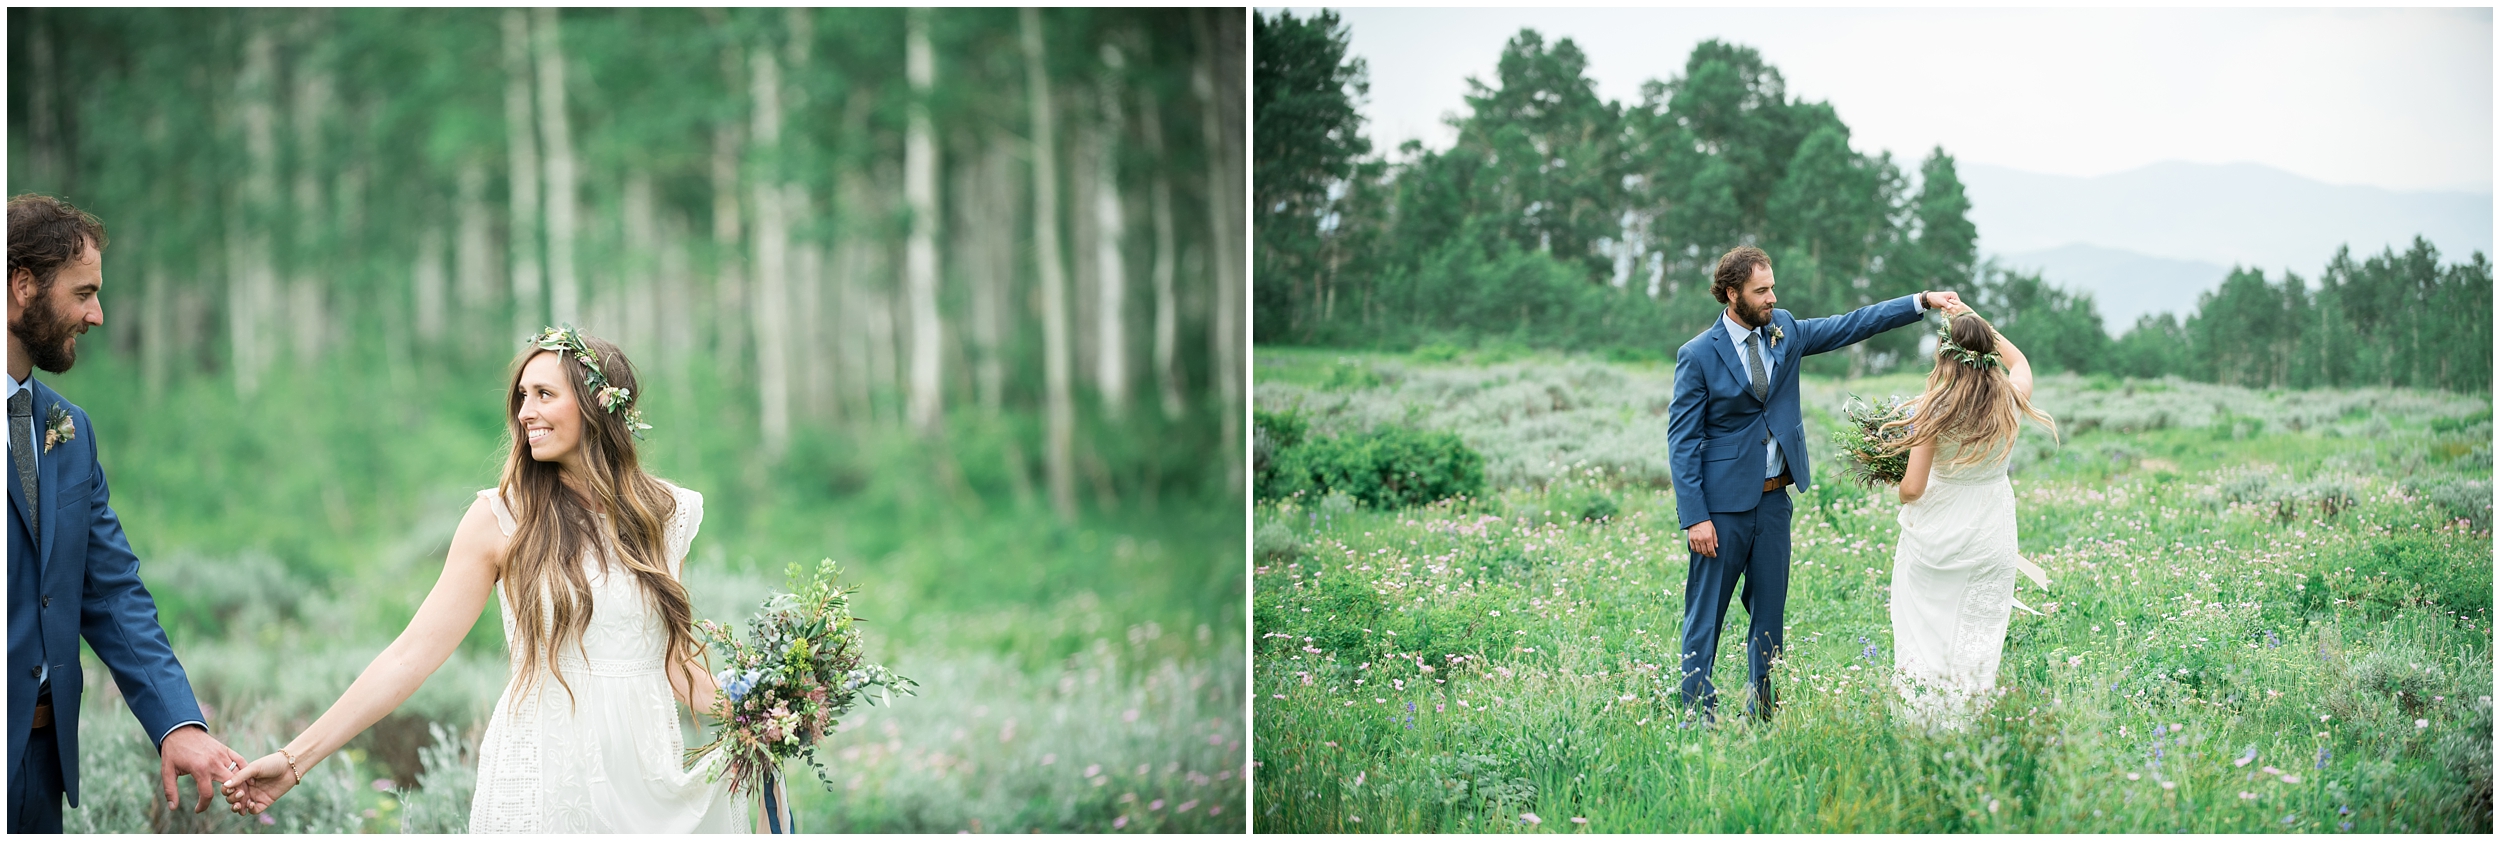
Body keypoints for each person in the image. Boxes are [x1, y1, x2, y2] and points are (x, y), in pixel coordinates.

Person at [220, 327, 760, 831]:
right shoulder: (501, 519)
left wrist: (769, 713)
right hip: (544, 774)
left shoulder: (665, 513)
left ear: (599, 403)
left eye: (545, 394)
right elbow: (410, 657)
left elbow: (674, 666)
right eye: (522, 396)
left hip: (646, 775)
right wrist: (296, 760)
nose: (526, 412)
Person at [7, 194, 251, 832]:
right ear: (22, 285)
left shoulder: (69, 429)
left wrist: (178, 724)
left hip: (37, 765)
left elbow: (109, 590)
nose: (99, 314)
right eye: (83, 293)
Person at [1667, 245, 1962, 723]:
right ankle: (1697, 714)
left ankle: (1762, 713)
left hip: (1774, 502)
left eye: (1772, 288)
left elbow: (1852, 324)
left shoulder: (1784, 329)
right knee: (1705, 616)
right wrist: (1695, 515)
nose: (1771, 297)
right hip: (1720, 509)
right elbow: (1682, 441)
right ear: (1730, 293)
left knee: (1769, 616)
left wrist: (1921, 301)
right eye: (1761, 290)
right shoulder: (1698, 355)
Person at [1881, 303, 2057, 730]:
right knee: (1977, 634)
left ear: (1945, 356)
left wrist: (1896, 468)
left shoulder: (1933, 410)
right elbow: (2020, 362)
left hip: (1937, 534)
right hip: (1990, 532)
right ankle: (1968, 723)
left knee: (1925, 630)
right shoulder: (2012, 399)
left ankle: (1923, 723)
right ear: (1988, 354)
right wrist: (1975, 322)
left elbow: (1912, 490)